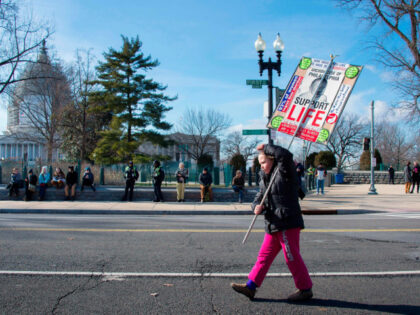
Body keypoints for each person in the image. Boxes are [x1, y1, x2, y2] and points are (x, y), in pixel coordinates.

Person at [231, 143, 313, 302]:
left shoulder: (284, 172)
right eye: (259, 163)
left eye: (264, 162)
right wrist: (256, 207)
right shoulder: (264, 178)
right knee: (263, 257)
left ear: (273, 160)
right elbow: (259, 197)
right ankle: (251, 286)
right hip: (272, 223)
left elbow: (286, 156)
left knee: (292, 257)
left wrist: (266, 147)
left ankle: (305, 289)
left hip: (287, 222)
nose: (261, 166)